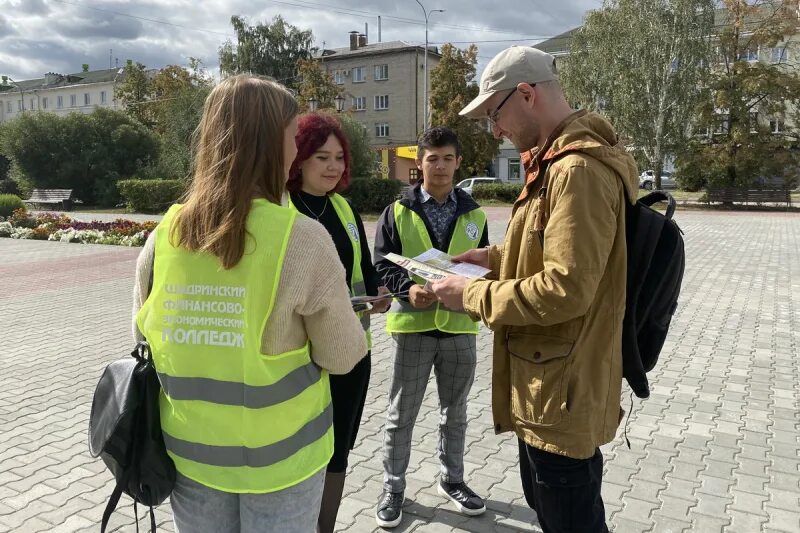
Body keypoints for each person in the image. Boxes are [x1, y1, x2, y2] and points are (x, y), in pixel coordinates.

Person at [131, 75, 368, 533]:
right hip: (283, 463)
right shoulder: (301, 237)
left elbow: (142, 334)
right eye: (290, 134)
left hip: (190, 456)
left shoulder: (166, 233)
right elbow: (342, 357)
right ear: (272, 144)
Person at [430, 46, 640, 533]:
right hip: (549, 385)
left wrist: (471, 296)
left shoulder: (576, 171)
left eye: (494, 115)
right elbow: (566, 257)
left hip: (561, 392)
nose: (496, 130)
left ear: (525, 94)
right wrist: (495, 259)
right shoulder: (556, 163)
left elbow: (565, 288)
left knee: (569, 519)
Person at [373, 127, 489, 528]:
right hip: (413, 329)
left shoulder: (475, 213)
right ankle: (393, 487)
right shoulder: (397, 210)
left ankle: (453, 480)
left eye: (447, 158)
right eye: (431, 159)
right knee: (400, 413)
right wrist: (407, 291)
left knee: (455, 413)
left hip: (459, 329)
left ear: (458, 163)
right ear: (419, 164)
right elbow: (382, 263)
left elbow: (482, 267)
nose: (439, 166)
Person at [286, 112, 390, 533]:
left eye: (339, 157)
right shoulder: (283, 209)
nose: (334, 167)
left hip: (349, 352)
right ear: (298, 160)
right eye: (321, 157)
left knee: (339, 446)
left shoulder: (343, 206)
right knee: (302, 449)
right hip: (300, 358)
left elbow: (363, 267)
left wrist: (379, 292)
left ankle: (323, 525)